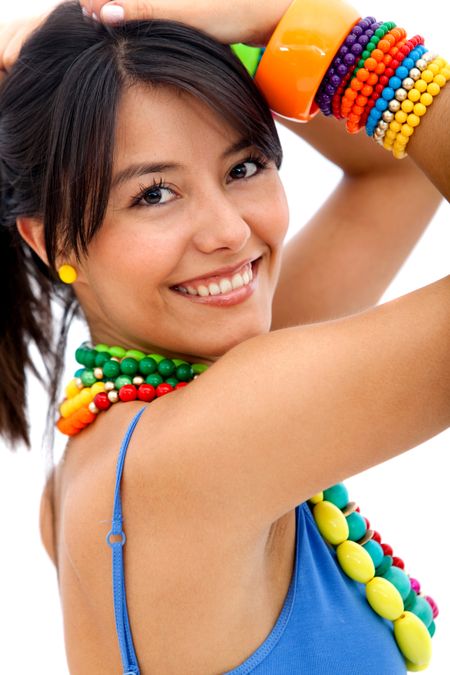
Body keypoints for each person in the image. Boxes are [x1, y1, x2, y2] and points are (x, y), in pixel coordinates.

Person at [0, 0, 449, 672]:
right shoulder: (208, 445)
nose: (229, 232)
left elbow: (395, 178)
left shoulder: (115, 452)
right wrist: (277, 19)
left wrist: (214, 44)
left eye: (243, 168)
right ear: (50, 238)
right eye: (154, 193)